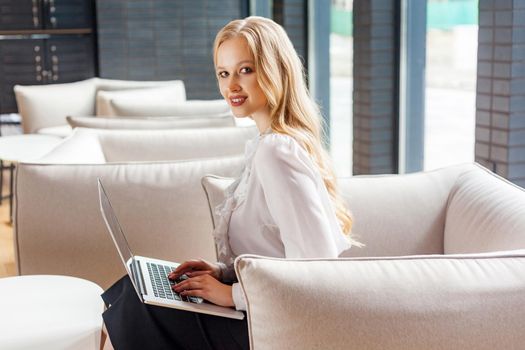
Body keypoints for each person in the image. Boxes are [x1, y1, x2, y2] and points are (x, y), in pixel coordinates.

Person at [101, 16, 359, 350]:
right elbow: (275, 254)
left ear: (275, 70)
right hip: (257, 313)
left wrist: (229, 294)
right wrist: (225, 272)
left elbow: (315, 272)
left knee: (135, 308)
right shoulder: (266, 145)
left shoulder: (276, 152)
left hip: (273, 329)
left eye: (245, 70)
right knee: (130, 292)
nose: (231, 86)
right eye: (224, 73)